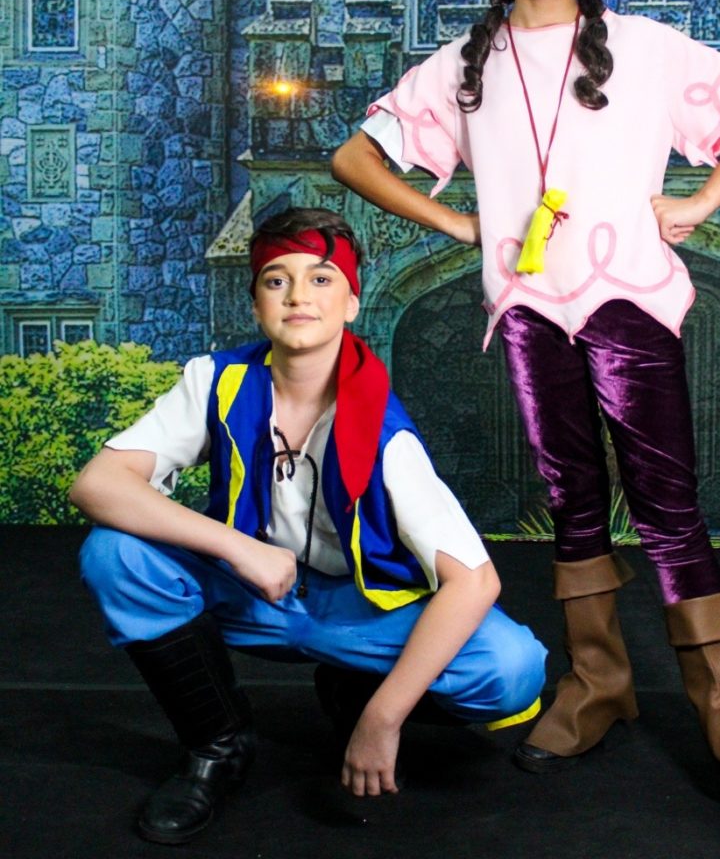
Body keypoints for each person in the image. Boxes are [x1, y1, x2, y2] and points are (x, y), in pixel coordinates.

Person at [331, 0, 720, 805]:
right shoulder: (464, 64)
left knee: (668, 506)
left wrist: (702, 202)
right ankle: (597, 685)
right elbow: (354, 156)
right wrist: (462, 224)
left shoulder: (643, 48)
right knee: (572, 501)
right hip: (527, 307)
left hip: (628, 297)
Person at [71, 206, 546, 845]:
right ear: (256, 305)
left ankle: (357, 691)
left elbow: (476, 581)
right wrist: (238, 548)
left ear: (351, 303)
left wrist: (382, 720)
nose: (298, 295)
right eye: (277, 280)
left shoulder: (385, 431)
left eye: (321, 279)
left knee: (512, 668)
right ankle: (217, 746)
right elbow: (97, 484)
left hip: (360, 607)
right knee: (113, 553)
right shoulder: (215, 381)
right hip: (252, 590)